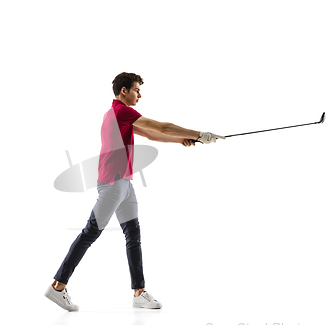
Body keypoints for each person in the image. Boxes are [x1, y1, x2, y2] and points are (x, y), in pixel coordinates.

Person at [45, 72, 225, 311]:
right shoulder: (121, 111)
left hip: (124, 184)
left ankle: (139, 292)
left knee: (133, 234)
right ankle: (58, 285)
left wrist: (182, 139)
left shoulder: (115, 115)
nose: (140, 94)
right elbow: (161, 126)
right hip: (112, 183)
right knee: (90, 233)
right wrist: (198, 134)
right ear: (123, 91)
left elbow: (152, 134)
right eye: (137, 89)